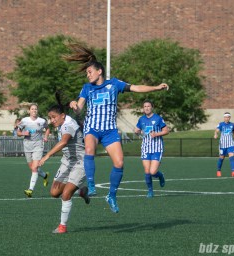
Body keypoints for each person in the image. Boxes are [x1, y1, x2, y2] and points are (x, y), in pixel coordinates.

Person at [66, 43, 169, 213]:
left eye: (89, 72)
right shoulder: (86, 88)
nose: (87, 75)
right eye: (86, 73)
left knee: (120, 163)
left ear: (99, 71)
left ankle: (111, 195)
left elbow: (136, 88)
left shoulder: (114, 84)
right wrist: (74, 106)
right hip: (92, 127)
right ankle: (91, 184)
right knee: (90, 148)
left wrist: (156, 87)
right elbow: (79, 107)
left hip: (109, 130)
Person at [39, 105, 90, 234]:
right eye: (50, 118)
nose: (52, 120)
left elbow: (64, 142)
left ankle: (62, 226)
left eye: (54, 117)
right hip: (67, 162)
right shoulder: (61, 123)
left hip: (81, 162)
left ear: (62, 115)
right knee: (54, 193)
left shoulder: (69, 124)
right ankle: (81, 191)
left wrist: (47, 155)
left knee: (66, 194)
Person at [134, 100, 169, 198]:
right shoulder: (141, 119)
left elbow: (166, 130)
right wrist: (136, 131)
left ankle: (160, 176)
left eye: (148, 106)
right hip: (145, 147)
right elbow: (138, 130)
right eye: (145, 106)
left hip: (157, 148)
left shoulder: (157, 118)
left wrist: (157, 134)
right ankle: (150, 191)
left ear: (152, 107)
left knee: (153, 172)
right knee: (147, 171)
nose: (146, 108)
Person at [17, 103, 51, 197]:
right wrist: (24, 133)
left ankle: (30, 190)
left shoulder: (42, 121)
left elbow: (47, 129)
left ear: (37, 111)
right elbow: (18, 132)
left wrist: (46, 136)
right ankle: (45, 176)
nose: (34, 111)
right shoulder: (24, 121)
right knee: (32, 168)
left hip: (38, 145)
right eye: (32, 109)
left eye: (36, 109)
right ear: (29, 111)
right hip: (27, 145)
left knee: (35, 167)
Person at [214, 112, 234, 177]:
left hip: (230, 143)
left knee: (232, 157)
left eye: (228, 117)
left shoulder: (232, 124)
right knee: (221, 158)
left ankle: (233, 171)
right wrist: (216, 134)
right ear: (224, 118)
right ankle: (218, 170)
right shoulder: (221, 124)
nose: (227, 118)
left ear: (230, 118)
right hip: (222, 144)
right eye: (225, 117)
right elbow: (217, 130)